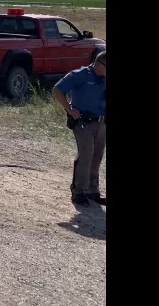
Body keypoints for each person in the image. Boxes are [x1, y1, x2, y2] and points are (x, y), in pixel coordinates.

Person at [53, 51, 107, 206]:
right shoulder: (80, 75)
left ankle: (92, 191)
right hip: (83, 123)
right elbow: (57, 90)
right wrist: (69, 109)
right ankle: (79, 191)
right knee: (86, 155)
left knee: (97, 156)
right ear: (99, 64)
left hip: (101, 123)